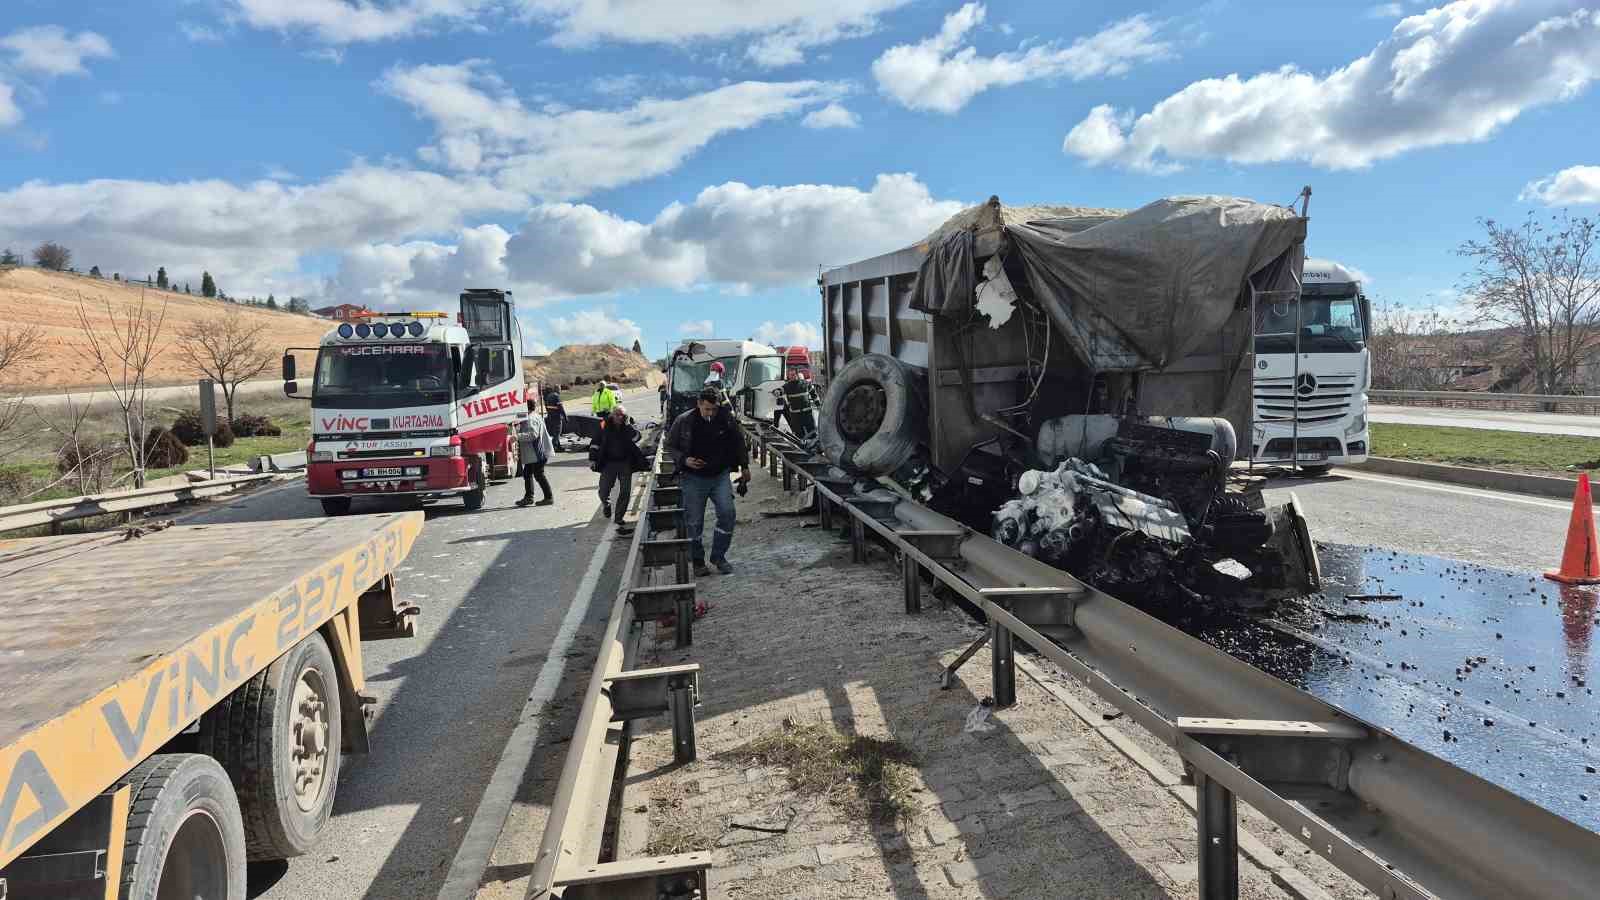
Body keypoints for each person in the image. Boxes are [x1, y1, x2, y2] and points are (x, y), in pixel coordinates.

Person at [667, 388, 750, 576]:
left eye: (714, 409)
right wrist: (684, 460)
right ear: (699, 404)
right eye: (707, 409)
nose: (710, 413)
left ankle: (719, 556)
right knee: (694, 522)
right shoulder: (684, 421)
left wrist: (744, 467)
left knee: (728, 514)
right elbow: (670, 445)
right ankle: (698, 561)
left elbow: (738, 441)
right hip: (693, 479)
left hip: (720, 476)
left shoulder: (725, 418)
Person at [592, 405, 648, 533]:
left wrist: (628, 425)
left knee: (625, 492)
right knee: (604, 490)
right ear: (612, 415)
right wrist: (593, 459)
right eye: (616, 414)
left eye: (621, 415)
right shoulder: (604, 425)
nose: (619, 417)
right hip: (608, 464)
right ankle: (606, 504)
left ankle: (618, 517)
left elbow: (637, 438)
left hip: (625, 463)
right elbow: (595, 442)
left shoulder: (627, 427)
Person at [514, 403, 555, 507]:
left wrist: (517, 436)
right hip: (534, 453)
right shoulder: (533, 415)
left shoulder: (531, 419)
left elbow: (533, 434)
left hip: (537, 453)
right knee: (527, 473)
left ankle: (548, 497)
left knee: (539, 475)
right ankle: (529, 497)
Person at [780, 368, 817, 439]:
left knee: (812, 433)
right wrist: (777, 391)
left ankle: (814, 444)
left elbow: (813, 393)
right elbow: (781, 390)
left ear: (797, 375)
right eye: (790, 375)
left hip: (807, 414)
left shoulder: (805, 383)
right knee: (799, 436)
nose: (792, 376)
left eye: (793, 374)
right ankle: (802, 445)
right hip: (796, 416)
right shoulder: (787, 386)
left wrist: (818, 404)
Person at [543, 386, 567, 452]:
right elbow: (561, 407)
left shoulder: (548, 396)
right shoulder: (556, 396)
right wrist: (565, 417)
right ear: (558, 389)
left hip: (550, 417)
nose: (560, 391)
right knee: (557, 432)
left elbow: (547, 407)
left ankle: (558, 446)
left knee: (554, 432)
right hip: (557, 417)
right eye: (560, 389)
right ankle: (554, 447)